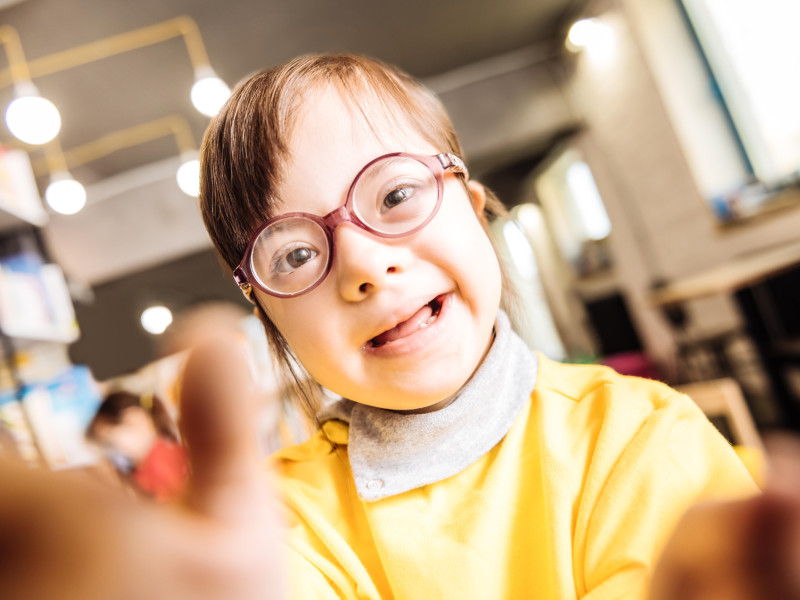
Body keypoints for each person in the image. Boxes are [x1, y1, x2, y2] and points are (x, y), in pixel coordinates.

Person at [0, 53, 794, 599]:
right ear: (269, 319)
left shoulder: (637, 438)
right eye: (296, 253)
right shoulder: (284, 522)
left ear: (475, 210)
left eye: (393, 197)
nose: (365, 266)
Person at [86, 390, 187, 502]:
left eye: (109, 441)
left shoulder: (159, 462)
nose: (113, 450)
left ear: (134, 417)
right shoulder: (144, 469)